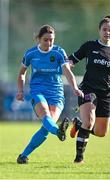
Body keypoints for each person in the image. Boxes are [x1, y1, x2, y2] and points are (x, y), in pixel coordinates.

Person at [16, 24, 84, 164]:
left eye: (51, 40)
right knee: (46, 116)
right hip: (38, 90)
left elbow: (67, 72)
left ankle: (23, 155)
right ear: (39, 39)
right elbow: (22, 73)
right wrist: (21, 91)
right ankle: (59, 131)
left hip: (56, 93)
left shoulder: (59, 52)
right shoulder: (31, 53)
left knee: (47, 127)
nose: (49, 43)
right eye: (45, 39)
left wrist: (75, 88)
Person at [69, 15, 110, 163]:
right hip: (88, 89)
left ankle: (79, 125)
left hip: (105, 93)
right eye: (104, 29)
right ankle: (79, 158)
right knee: (89, 121)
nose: (107, 32)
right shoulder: (90, 46)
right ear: (99, 30)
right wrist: (69, 64)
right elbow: (72, 59)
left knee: (100, 132)